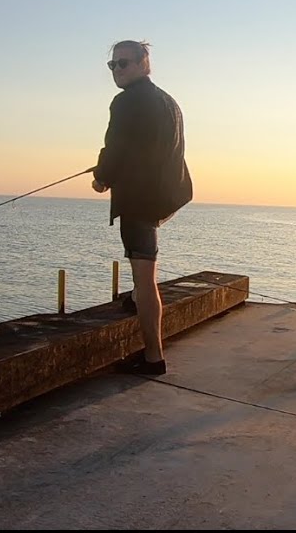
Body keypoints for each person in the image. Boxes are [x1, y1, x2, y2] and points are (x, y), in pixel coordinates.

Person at [92, 40, 193, 376]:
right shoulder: (169, 101)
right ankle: (135, 298)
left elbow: (115, 147)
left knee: (145, 276)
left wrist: (101, 177)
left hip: (140, 199)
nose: (117, 71)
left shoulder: (126, 102)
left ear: (143, 63)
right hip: (165, 196)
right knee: (143, 273)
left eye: (124, 63)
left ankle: (153, 358)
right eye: (113, 65)